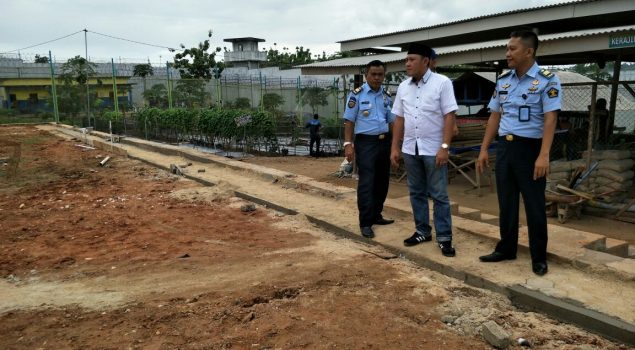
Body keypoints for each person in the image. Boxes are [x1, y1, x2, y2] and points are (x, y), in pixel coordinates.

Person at [475, 30, 562, 276]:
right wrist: (484, 149)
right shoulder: (503, 81)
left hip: (530, 150)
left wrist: (544, 154)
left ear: (529, 51)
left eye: (512, 49)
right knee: (507, 203)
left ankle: (538, 257)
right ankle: (506, 248)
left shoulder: (548, 80)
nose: (507, 53)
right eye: (507, 48)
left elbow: (550, 118)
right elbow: (494, 116)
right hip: (505, 148)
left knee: (534, 205)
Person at [390, 43, 458, 257]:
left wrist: (444, 147)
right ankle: (422, 231)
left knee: (439, 195)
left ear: (426, 61)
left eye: (412, 59)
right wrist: (395, 147)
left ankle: (444, 237)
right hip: (411, 148)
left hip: (433, 149)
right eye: (406, 60)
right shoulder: (403, 87)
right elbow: (399, 118)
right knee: (416, 192)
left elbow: (449, 116)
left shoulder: (442, 83)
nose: (407, 63)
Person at [343, 60, 396, 239]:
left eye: (380, 74)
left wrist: (396, 145)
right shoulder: (356, 95)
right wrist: (348, 145)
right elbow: (349, 121)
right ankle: (365, 222)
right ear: (366, 75)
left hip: (384, 142)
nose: (377, 77)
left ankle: (376, 215)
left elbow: (392, 121)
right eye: (373, 74)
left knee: (382, 181)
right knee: (367, 182)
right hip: (366, 143)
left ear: (384, 76)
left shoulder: (386, 96)